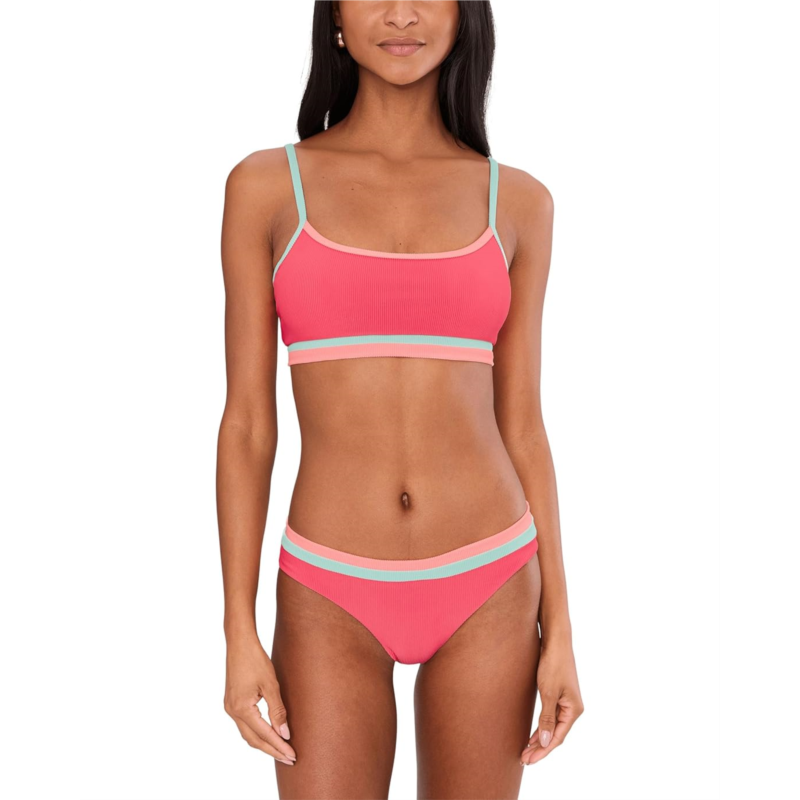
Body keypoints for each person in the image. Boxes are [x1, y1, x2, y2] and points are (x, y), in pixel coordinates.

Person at [217, 1, 583, 797]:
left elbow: (523, 425)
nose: (401, 14)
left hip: (490, 576)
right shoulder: (266, 187)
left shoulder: (519, 201)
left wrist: (561, 627)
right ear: (335, 19)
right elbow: (246, 425)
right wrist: (238, 629)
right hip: (327, 584)